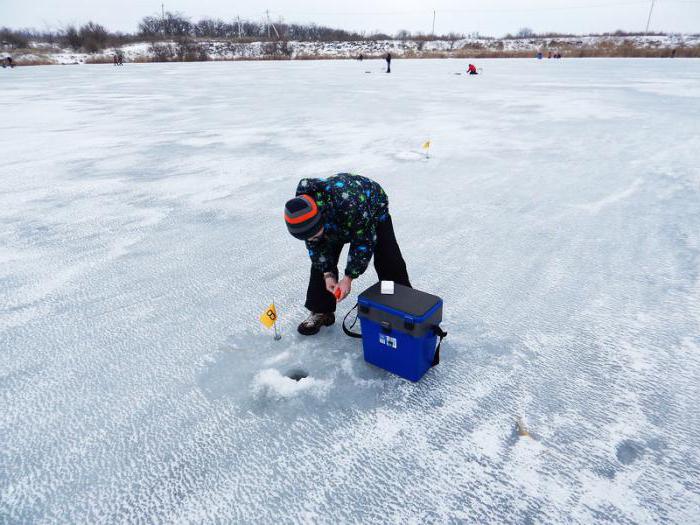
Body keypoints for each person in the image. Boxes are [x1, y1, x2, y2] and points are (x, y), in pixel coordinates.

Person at [284, 173, 411, 335]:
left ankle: (404, 306)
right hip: (335, 216)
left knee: (388, 256)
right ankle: (321, 310)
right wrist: (327, 274)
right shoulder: (303, 208)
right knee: (321, 259)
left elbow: (363, 243)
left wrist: (348, 278)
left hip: (371, 206)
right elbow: (316, 248)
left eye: (314, 234)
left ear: (320, 219)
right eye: (307, 237)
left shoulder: (350, 206)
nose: (311, 239)